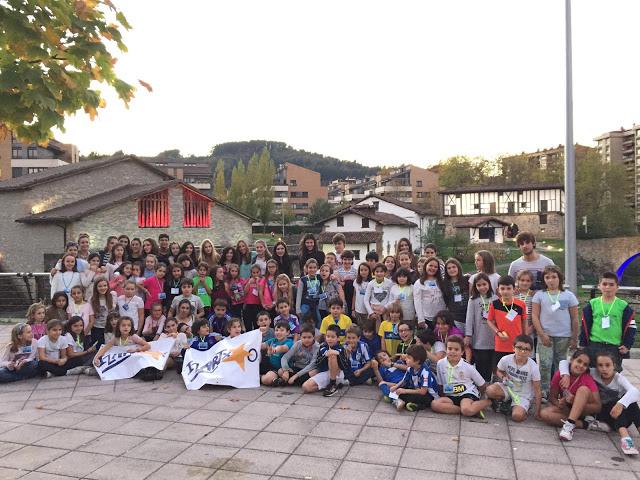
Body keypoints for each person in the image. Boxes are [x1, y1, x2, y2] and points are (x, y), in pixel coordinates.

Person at [558, 351, 640, 454]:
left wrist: (621, 404)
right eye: (600, 365)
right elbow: (564, 362)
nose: (604, 369)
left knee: (632, 404)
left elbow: (635, 391)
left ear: (614, 366)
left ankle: (628, 436)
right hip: (602, 413)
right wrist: (565, 375)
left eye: (607, 365)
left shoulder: (619, 378)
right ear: (596, 367)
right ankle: (626, 440)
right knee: (615, 403)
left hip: (617, 416)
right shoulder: (593, 372)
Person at [532, 265, 579, 396]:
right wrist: (542, 334)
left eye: (554, 277)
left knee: (561, 365)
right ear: (543, 279)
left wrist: (574, 338)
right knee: (545, 364)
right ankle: (544, 391)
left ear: (560, 278)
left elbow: (575, 318)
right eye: (547, 277)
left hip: (564, 336)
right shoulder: (539, 295)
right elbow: (535, 315)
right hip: (545, 335)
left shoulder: (568, 295)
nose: (551, 280)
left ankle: (559, 390)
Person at [539, 349, 601, 441]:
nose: (581, 366)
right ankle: (585, 424)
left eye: (585, 365)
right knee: (544, 413)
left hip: (584, 411)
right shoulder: (560, 374)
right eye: (579, 361)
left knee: (583, 389)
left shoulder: (587, 378)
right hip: (568, 409)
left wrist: (575, 401)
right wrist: (559, 403)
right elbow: (552, 397)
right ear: (572, 360)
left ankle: (569, 426)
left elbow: (598, 407)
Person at [581, 272, 636, 372]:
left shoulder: (623, 306)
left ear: (617, 287)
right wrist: (583, 344)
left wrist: (627, 345)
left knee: (612, 374)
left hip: (614, 347)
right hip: (594, 345)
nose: (607, 287)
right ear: (599, 286)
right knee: (592, 373)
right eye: (604, 284)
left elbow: (631, 327)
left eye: (611, 284)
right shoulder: (592, 304)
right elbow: (584, 325)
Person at [431, 335, 492, 418]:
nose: (452, 352)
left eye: (456, 349)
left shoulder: (468, 366)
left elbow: (482, 384)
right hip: (450, 394)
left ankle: (489, 402)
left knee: (467, 409)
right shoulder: (440, 364)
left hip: (466, 393)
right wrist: (443, 397)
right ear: (446, 350)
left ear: (462, 352)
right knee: (435, 404)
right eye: (450, 349)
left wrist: (479, 396)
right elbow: (440, 384)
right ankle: (469, 409)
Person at [486, 335, 542, 422]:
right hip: (508, 388)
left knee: (517, 417)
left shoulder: (533, 367)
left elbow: (537, 389)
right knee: (489, 390)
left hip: (522, 395)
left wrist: (538, 411)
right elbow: (499, 371)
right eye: (519, 348)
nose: (522, 351)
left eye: (526, 349)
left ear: (531, 352)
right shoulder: (506, 359)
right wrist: (503, 377)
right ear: (513, 348)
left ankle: (521, 407)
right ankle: (508, 403)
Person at [487, 275, 527, 371]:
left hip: (517, 344)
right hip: (501, 344)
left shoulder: (521, 304)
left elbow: (524, 321)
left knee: (516, 370)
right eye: (502, 288)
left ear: (514, 289)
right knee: (499, 371)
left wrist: (525, 337)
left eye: (508, 288)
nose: (505, 291)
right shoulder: (494, 304)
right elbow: (489, 320)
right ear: (498, 290)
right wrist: (498, 332)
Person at [386, 344, 439, 412]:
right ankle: (401, 400)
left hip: (429, 395)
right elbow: (404, 380)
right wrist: (396, 386)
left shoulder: (425, 372)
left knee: (404, 394)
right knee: (396, 390)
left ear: (417, 361)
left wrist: (404, 391)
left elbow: (423, 392)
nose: (405, 359)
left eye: (408, 358)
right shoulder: (410, 368)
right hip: (417, 390)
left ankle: (398, 400)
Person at [464, 273, 497, 382]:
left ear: (489, 284)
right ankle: (482, 386)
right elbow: (469, 319)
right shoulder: (473, 300)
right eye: (479, 285)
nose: (482, 287)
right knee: (481, 366)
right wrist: (468, 335)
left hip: (493, 339)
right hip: (479, 339)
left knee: (494, 365)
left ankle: (493, 386)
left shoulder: (495, 298)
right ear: (475, 286)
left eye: (484, 284)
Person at [302, 324, 348, 396]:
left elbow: (345, 366)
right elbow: (317, 363)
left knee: (332, 354)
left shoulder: (341, 348)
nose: (330, 339)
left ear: (338, 338)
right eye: (328, 336)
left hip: (337, 374)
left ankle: (333, 384)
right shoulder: (322, 347)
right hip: (325, 373)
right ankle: (333, 385)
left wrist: (338, 354)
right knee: (306, 387)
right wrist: (325, 355)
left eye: (332, 337)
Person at [413, 257, 447, 329]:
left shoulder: (441, 281)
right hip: (426, 318)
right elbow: (417, 301)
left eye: (435, 267)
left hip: (440, 317)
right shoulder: (419, 283)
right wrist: (420, 319)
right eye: (430, 265)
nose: (433, 268)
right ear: (426, 266)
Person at [260, 322, 293, 386]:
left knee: (281, 372)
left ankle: (278, 380)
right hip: (274, 368)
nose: (278, 332)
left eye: (282, 330)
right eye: (276, 330)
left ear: (287, 332)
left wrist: (275, 349)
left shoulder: (289, 342)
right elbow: (262, 345)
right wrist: (259, 335)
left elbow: (283, 348)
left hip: (286, 368)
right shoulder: (273, 340)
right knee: (266, 380)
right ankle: (264, 378)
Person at [443, 258, 469, 333]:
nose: (452, 269)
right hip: (455, 317)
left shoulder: (467, 279)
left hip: (468, 315)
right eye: (449, 268)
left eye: (454, 267)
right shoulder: (444, 283)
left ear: (458, 267)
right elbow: (446, 300)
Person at [364, 263, 393, 328]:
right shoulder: (371, 284)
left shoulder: (389, 283)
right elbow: (366, 299)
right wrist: (371, 312)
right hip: (374, 312)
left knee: (386, 329)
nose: (379, 273)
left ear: (385, 273)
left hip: (385, 311)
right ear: (374, 273)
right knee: (374, 330)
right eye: (377, 271)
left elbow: (391, 298)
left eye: (381, 271)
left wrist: (385, 308)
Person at [296, 259, 322, 327]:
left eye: (314, 267)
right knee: (302, 319)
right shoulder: (303, 279)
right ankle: (301, 332)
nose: (312, 270)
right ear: (306, 268)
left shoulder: (320, 277)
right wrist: (298, 309)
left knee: (318, 320)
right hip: (305, 304)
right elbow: (299, 294)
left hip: (316, 304)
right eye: (310, 267)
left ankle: (318, 333)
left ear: (317, 268)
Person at [336, 250, 357, 317]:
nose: (347, 262)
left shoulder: (355, 271)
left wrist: (350, 280)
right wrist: (343, 281)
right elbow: (338, 283)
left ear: (352, 260)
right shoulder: (338, 271)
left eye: (349, 260)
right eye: (345, 259)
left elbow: (356, 284)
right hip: (342, 293)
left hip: (351, 295)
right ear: (342, 260)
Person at [242, 265, 263, 331]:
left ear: (260, 272)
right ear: (251, 273)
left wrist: (257, 283)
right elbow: (244, 292)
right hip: (248, 304)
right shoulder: (248, 280)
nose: (255, 274)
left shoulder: (262, 280)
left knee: (256, 324)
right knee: (248, 324)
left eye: (257, 272)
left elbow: (261, 292)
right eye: (253, 272)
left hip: (258, 305)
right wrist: (249, 283)